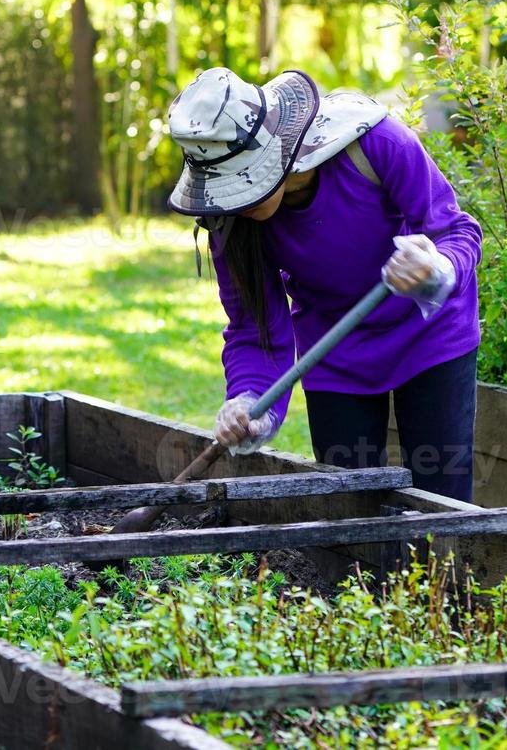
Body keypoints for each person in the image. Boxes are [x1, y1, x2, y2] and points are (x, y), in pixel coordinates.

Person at [166, 66, 482, 501]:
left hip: (430, 335)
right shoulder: (231, 225)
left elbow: (457, 232)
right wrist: (249, 400)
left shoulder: (375, 143)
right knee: (349, 508)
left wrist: (437, 269)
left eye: (239, 186)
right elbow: (254, 330)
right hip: (336, 350)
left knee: (441, 499)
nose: (232, 203)